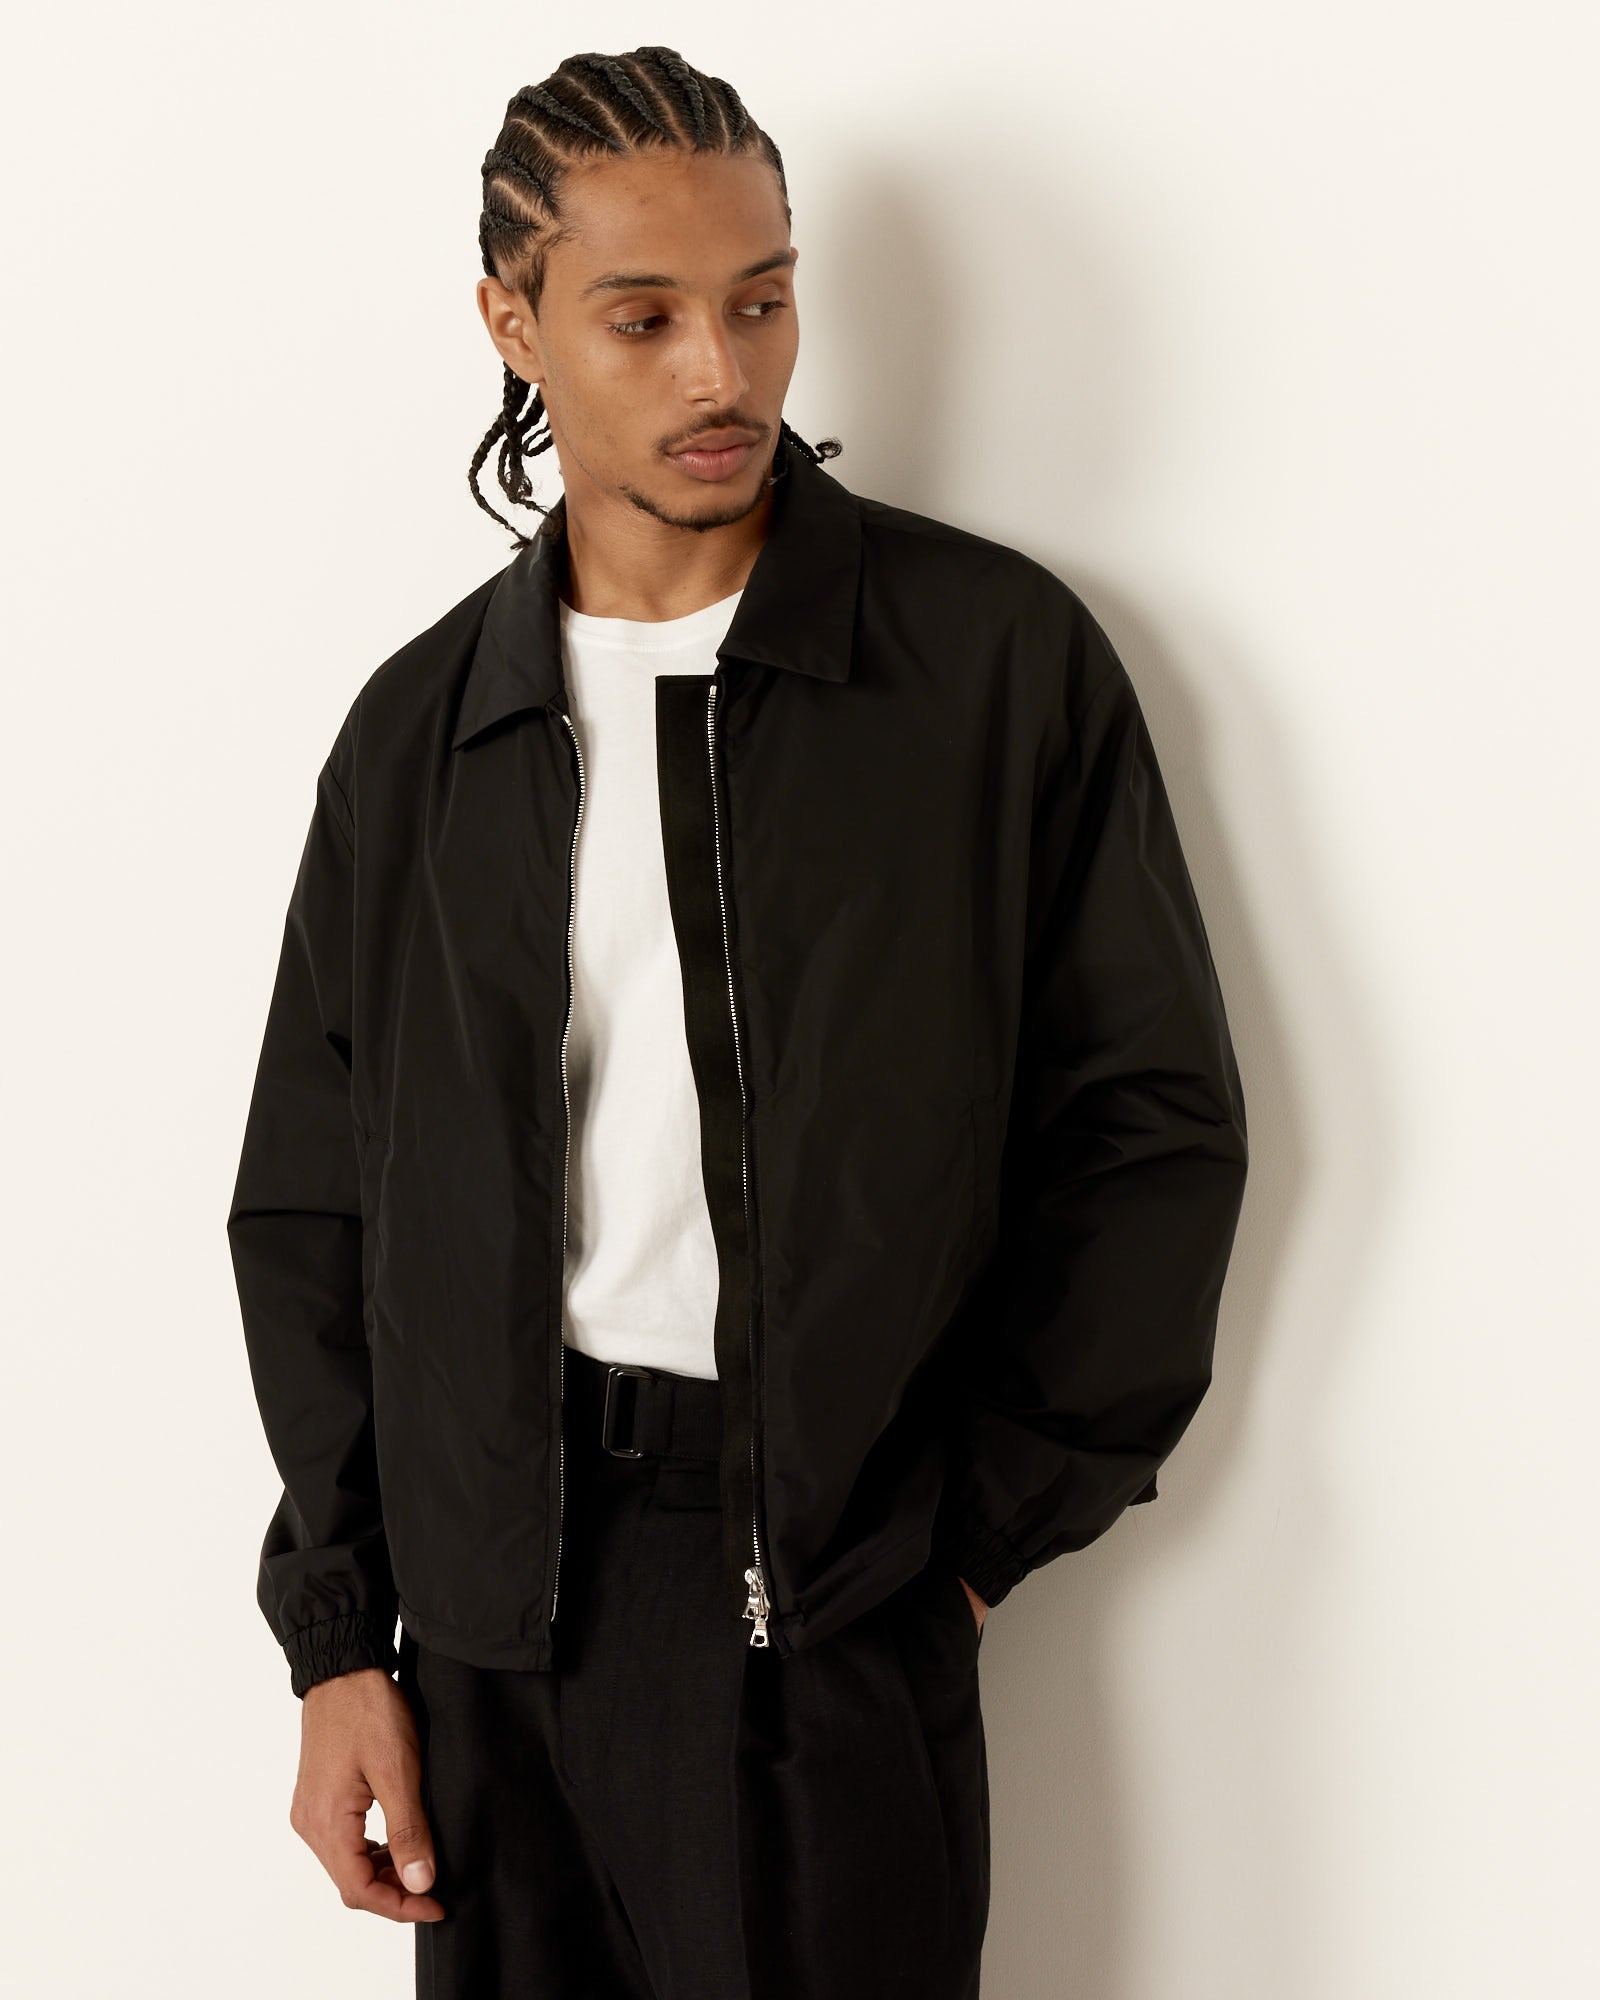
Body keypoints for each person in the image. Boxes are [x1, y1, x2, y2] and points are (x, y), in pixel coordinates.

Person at [226, 43, 1250, 2000]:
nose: (723, 370)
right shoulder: (425, 735)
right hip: (491, 1612)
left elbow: (1147, 1131)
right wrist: (343, 1641)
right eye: (644, 318)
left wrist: (964, 1541)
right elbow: (316, 1204)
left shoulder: (984, 669)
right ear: (512, 324)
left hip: (827, 1604)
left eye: (762, 299)